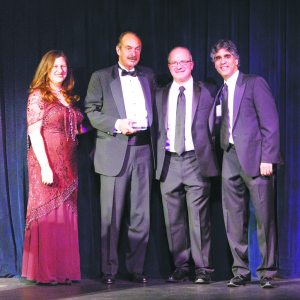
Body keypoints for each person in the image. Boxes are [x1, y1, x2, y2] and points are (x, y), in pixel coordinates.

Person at [84, 31, 156, 284]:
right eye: (128, 48)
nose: (133, 53)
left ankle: (136, 268)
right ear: (118, 50)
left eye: (137, 48)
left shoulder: (148, 76)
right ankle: (109, 271)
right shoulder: (101, 77)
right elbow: (90, 111)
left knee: (140, 215)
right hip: (114, 149)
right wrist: (117, 124)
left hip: (143, 151)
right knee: (111, 216)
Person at [210, 39, 281, 288]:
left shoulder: (253, 83)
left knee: (263, 218)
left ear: (236, 59)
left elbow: (270, 124)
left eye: (226, 56)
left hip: (256, 159)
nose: (222, 61)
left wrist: (268, 158)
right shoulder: (220, 91)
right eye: (217, 58)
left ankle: (267, 272)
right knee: (233, 218)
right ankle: (240, 271)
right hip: (229, 157)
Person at [155, 47, 218, 284]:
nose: (179, 66)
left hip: (196, 160)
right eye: (174, 63)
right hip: (169, 161)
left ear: (192, 64)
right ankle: (180, 266)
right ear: (169, 66)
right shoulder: (160, 94)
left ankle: (203, 269)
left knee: (199, 218)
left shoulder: (207, 91)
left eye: (183, 62)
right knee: (173, 219)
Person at [22, 50, 83, 285]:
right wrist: (46, 167)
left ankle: (63, 270)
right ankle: (47, 272)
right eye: (56, 66)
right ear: (46, 69)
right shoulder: (39, 96)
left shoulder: (67, 96)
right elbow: (34, 133)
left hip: (68, 164)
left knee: (65, 215)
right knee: (49, 214)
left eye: (63, 66)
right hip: (45, 162)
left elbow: (75, 128)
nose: (60, 70)